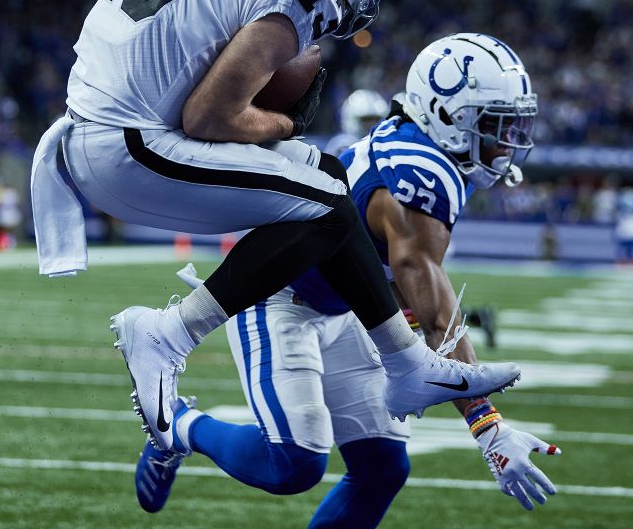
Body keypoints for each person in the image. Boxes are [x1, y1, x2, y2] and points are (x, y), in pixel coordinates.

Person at [31, 0, 521, 450]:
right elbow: (210, 117)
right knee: (324, 204)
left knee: (330, 181)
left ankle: (407, 365)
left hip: (104, 122)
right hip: (125, 144)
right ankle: (165, 333)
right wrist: (283, 123)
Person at [134, 34, 558, 524]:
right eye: (495, 125)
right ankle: (178, 427)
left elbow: (408, 295)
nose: (507, 141)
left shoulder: (429, 155)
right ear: (449, 116)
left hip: (346, 305)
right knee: (294, 463)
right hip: (281, 294)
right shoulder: (418, 172)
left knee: (382, 466)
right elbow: (438, 314)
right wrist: (488, 429)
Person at [325, 88, 389, 156]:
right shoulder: (342, 146)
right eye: (366, 120)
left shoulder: (382, 144)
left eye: (375, 120)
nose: (371, 125)